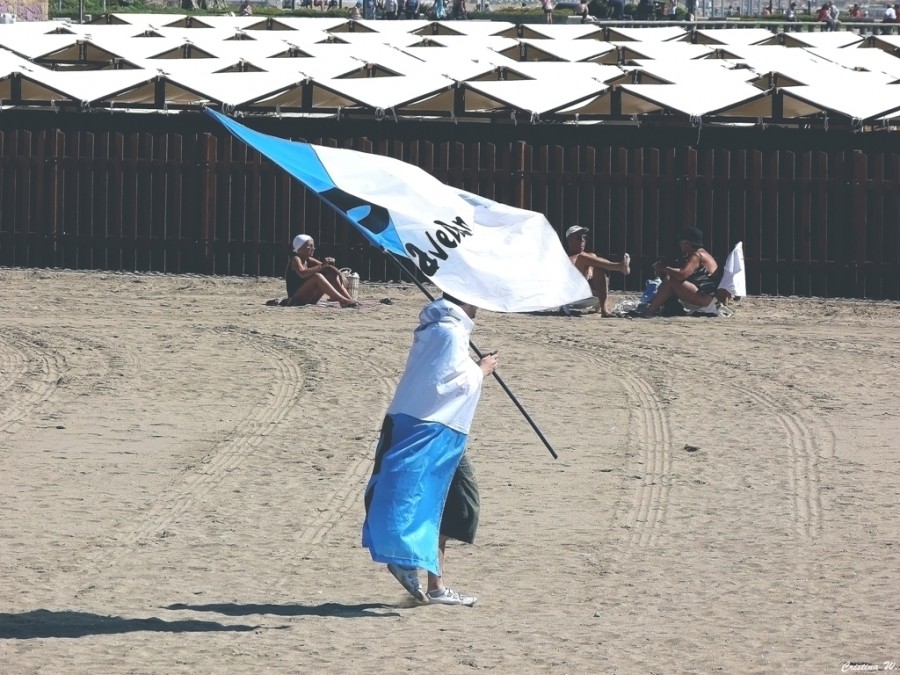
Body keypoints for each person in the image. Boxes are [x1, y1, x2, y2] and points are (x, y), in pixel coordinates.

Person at [362, 293, 499, 606]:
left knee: (448, 504)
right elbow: (448, 384)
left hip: (439, 426)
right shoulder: (447, 332)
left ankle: (434, 583)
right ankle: (407, 560)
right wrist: (481, 370)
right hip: (433, 426)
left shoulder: (442, 329)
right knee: (442, 500)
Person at [641, 227, 719, 317]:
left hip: (705, 298)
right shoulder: (703, 254)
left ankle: (649, 311)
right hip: (709, 297)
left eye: (681, 242)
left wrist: (663, 268)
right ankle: (658, 306)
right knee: (670, 279)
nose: (679, 245)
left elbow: (682, 274)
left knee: (671, 280)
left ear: (687, 243)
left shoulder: (696, 255)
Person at [564, 225, 631, 318]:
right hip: (570, 295)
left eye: (584, 238)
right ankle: (618, 266)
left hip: (590, 294)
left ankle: (604, 310)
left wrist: (591, 269)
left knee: (596, 265)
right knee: (583, 257)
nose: (582, 240)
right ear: (569, 240)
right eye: (578, 237)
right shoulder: (565, 258)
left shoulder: (588, 257)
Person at [283, 234, 358, 307]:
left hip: (310, 298)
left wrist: (339, 274)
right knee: (317, 277)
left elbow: (327, 267)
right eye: (310, 246)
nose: (313, 248)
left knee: (330, 276)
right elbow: (302, 273)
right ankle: (342, 300)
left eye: (313, 246)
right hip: (296, 299)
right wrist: (322, 265)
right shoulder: (296, 259)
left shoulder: (308, 260)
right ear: (299, 249)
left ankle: (349, 300)